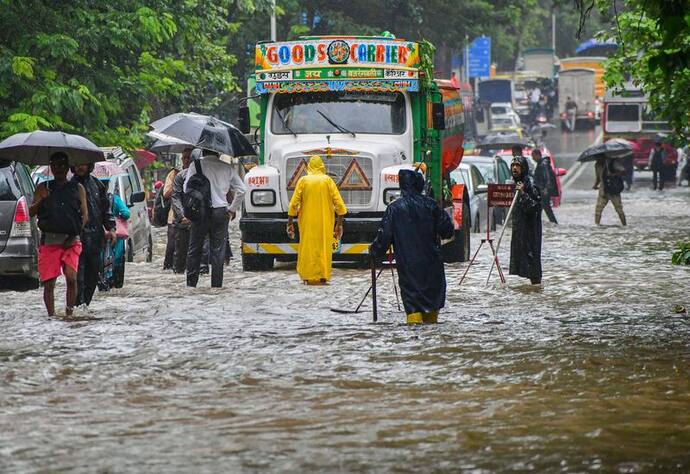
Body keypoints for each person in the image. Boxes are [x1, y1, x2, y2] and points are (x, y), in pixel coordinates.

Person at [370, 170, 454, 324]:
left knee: (413, 309)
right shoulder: (431, 205)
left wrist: (374, 251)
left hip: (409, 269)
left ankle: (415, 344)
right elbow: (448, 231)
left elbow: (383, 238)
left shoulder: (394, 209)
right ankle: (431, 344)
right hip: (433, 266)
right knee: (432, 307)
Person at [28, 152, 88, 317]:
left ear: (68, 167)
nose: (59, 168)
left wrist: (75, 234)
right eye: (55, 165)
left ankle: (69, 313)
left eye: (62, 165)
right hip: (49, 241)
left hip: (72, 240)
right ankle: (51, 316)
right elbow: (30, 212)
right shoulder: (42, 187)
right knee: (49, 283)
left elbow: (85, 215)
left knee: (71, 277)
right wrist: (41, 199)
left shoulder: (77, 188)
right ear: (51, 167)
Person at [184, 150, 246, 288]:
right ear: (218, 152)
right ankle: (216, 286)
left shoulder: (196, 165)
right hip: (220, 212)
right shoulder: (226, 167)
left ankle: (191, 285)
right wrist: (232, 209)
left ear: (203, 150)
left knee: (194, 248)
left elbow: (185, 188)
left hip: (200, 211)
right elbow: (242, 190)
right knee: (218, 251)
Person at [286, 155, 347, 285]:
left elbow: (293, 204)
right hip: (325, 223)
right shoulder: (328, 181)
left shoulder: (303, 181)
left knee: (307, 248)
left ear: (309, 166)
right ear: (321, 166)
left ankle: (307, 276)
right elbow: (340, 206)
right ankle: (323, 275)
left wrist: (290, 222)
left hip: (307, 223)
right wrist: (338, 224)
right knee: (324, 248)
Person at [72, 162, 116, 307]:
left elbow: (106, 209)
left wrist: (111, 229)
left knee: (92, 276)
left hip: (96, 238)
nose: (80, 166)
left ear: (89, 166)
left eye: (83, 164)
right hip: (76, 238)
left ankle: (85, 306)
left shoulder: (97, 185)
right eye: (77, 164)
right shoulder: (69, 187)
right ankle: (77, 306)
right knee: (78, 277)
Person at [509, 155, 543, 285]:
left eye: (517, 166)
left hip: (531, 230)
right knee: (522, 260)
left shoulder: (530, 183)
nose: (515, 168)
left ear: (523, 168)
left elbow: (535, 207)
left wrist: (523, 194)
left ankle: (536, 287)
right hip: (521, 229)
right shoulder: (517, 183)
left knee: (532, 261)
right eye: (513, 166)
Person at [100, 178, 130, 288]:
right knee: (117, 261)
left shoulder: (92, 199)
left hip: (98, 237)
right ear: (108, 185)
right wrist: (117, 217)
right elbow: (126, 213)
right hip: (115, 238)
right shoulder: (114, 199)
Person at [171, 148, 196, 274]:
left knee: (202, 256)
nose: (186, 160)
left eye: (189, 158)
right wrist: (182, 216)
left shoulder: (203, 175)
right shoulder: (180, 177)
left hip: (200, 221)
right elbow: (175, 197)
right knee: (180, 256)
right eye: (184, 158)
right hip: (183, 222)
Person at [594, 157, 627, 226]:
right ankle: (596, 225)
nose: (597, 159)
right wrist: (595, 185)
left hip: (613, 189)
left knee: (619, 209)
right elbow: (598, 177)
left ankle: (624, 225)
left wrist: (613, 174)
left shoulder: (613, 162)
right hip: (603, 190)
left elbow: (623, 172)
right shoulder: (597, 165)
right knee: (598, 209)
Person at [531, 149, 558, 224]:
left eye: (533, 156)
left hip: (543, 190)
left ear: (537, 155)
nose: (533, 158)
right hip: (541, 189)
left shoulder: (543, 164)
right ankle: (550, 223)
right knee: (543, 207)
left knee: (544, 207)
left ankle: (553, 223)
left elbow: (547, 177)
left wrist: (546, 189)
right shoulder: (541, 164)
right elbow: (539, 177)